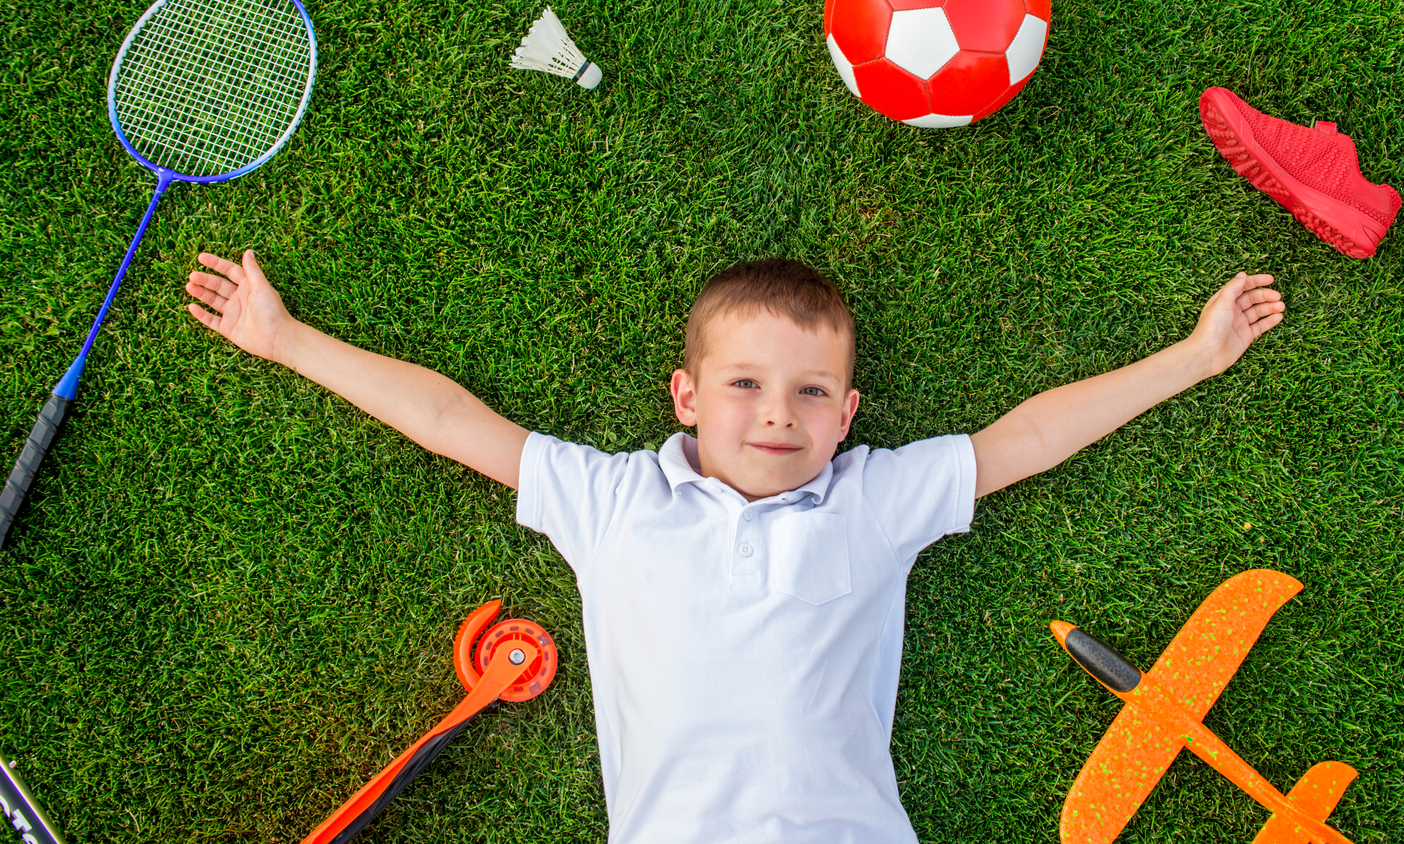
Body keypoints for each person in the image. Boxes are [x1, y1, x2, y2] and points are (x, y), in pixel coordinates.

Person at [184, 254, 1285, 844]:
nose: (775, 414)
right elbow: (449, 420)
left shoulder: (877, 497)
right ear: (687, 396)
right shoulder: (611, 500)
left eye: (810, 392)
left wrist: (1191, 358)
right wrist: (285, 340)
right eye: (746, 384)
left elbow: (1028, 438)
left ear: (847, 414)